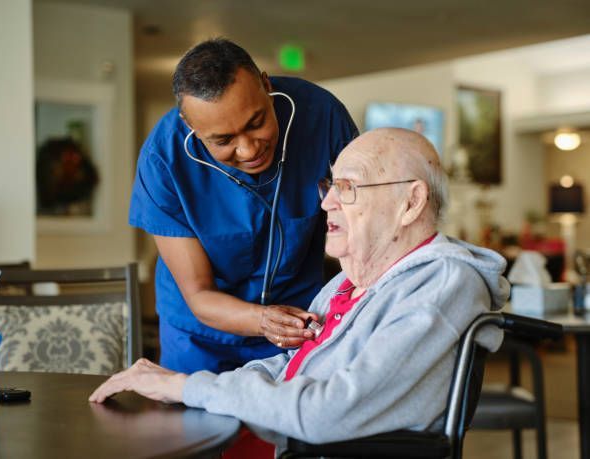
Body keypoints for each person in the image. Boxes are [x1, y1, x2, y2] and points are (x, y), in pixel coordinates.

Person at [91, 127, 510, 454]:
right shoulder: (346, 285)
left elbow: (326, 413)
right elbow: (286, 368)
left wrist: (187, 389)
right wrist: (187, 382)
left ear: (411, 203)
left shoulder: (443, 284)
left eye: (348, 188)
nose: (327, 204)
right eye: (330, 188)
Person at [130, 38, 358, 373]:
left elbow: (363, 218)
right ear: (189, 124)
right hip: (200, 333)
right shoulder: (163, 161)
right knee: (194, 423)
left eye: (256, 123)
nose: (249, 150)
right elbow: (199, 294)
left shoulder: (322, 117)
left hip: (298, 322)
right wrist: (262, 319)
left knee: (290, 420)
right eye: (223, 141)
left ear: (266, 85)